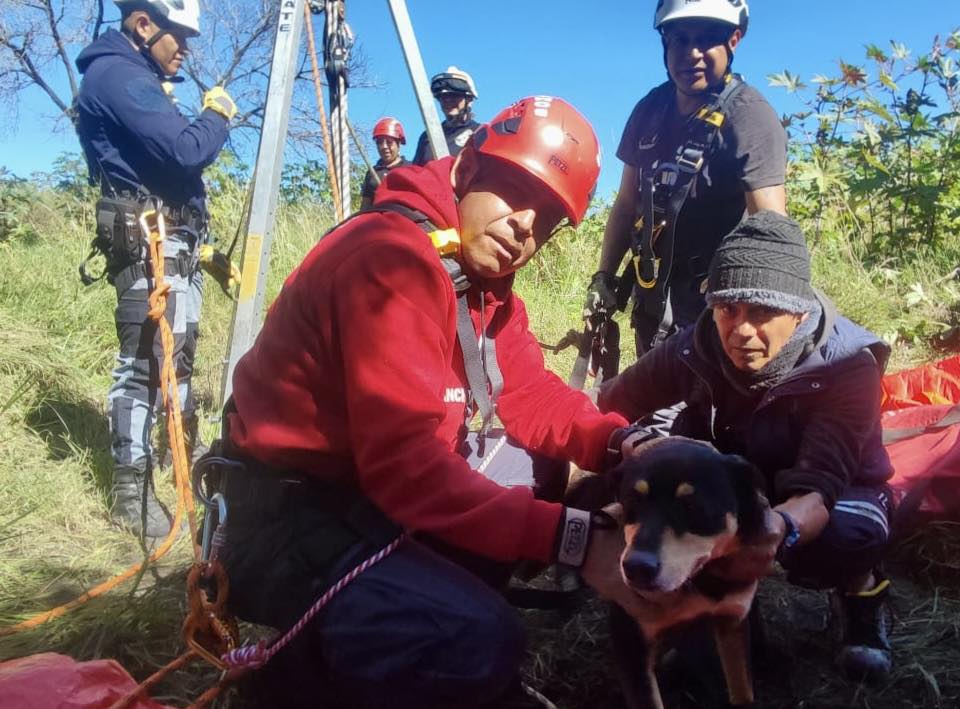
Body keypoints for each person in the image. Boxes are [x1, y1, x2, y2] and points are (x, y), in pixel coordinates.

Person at [213, 97, 658, 709]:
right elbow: (406, 471)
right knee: (479, 639)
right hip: (277, 517)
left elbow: (528, 393)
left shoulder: (478, 282)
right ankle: (299, 679)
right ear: (469, 168)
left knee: (538, 466)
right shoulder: (388, 258)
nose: (527, 225)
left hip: (355, 493)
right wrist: (574, 538)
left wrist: (620, 442)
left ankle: (423, 611)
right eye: (515, 189)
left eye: (549, 217)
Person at [597, 210, 895, 684]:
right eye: (727, 309)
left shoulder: (846, 367)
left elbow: (818, 488)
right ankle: (705, 601)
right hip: (733, 484)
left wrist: (776, 531)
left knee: (842, 539)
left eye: (762, 313)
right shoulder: (693, 347)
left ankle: (862, 595)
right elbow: (608, 402)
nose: (740, 331)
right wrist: (634, 441)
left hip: (833, 492)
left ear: (798, 311)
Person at [75, 0, 239, 541]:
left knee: (179, 361)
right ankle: (131, 488)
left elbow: (169, 176)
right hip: (149, 247)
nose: (186, 49)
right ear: (144, 25)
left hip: (176, 246)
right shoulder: (117, 74)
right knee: (145, 364)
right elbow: (186, 150)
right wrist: (216, 114)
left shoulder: (137, 77)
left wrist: (207, 252)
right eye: (179, 36)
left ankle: (178, 467)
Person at [585, 0, 787, 356]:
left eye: (707, 39)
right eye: (679, 39)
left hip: (716, 307)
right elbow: (626, 202)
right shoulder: (649, 109)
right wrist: (604, 277)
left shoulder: (750, 118)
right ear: (665, 43)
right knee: (651, 402)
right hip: (652, 294)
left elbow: (770, 227)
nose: (691, 53)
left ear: (733, 40)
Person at [412, 66, 481, 165]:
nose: (448, 100)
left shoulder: (479, 133)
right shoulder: (428, 137)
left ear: (469, 99)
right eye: (443, 97)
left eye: (454, 95)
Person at [359, 117, 410, 209]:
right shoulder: (372, 173)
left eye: (389, 142)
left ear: (399, 144)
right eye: (380, 142)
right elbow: (365, 206)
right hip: (377, 220)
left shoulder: (411, 169)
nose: (384, 146)